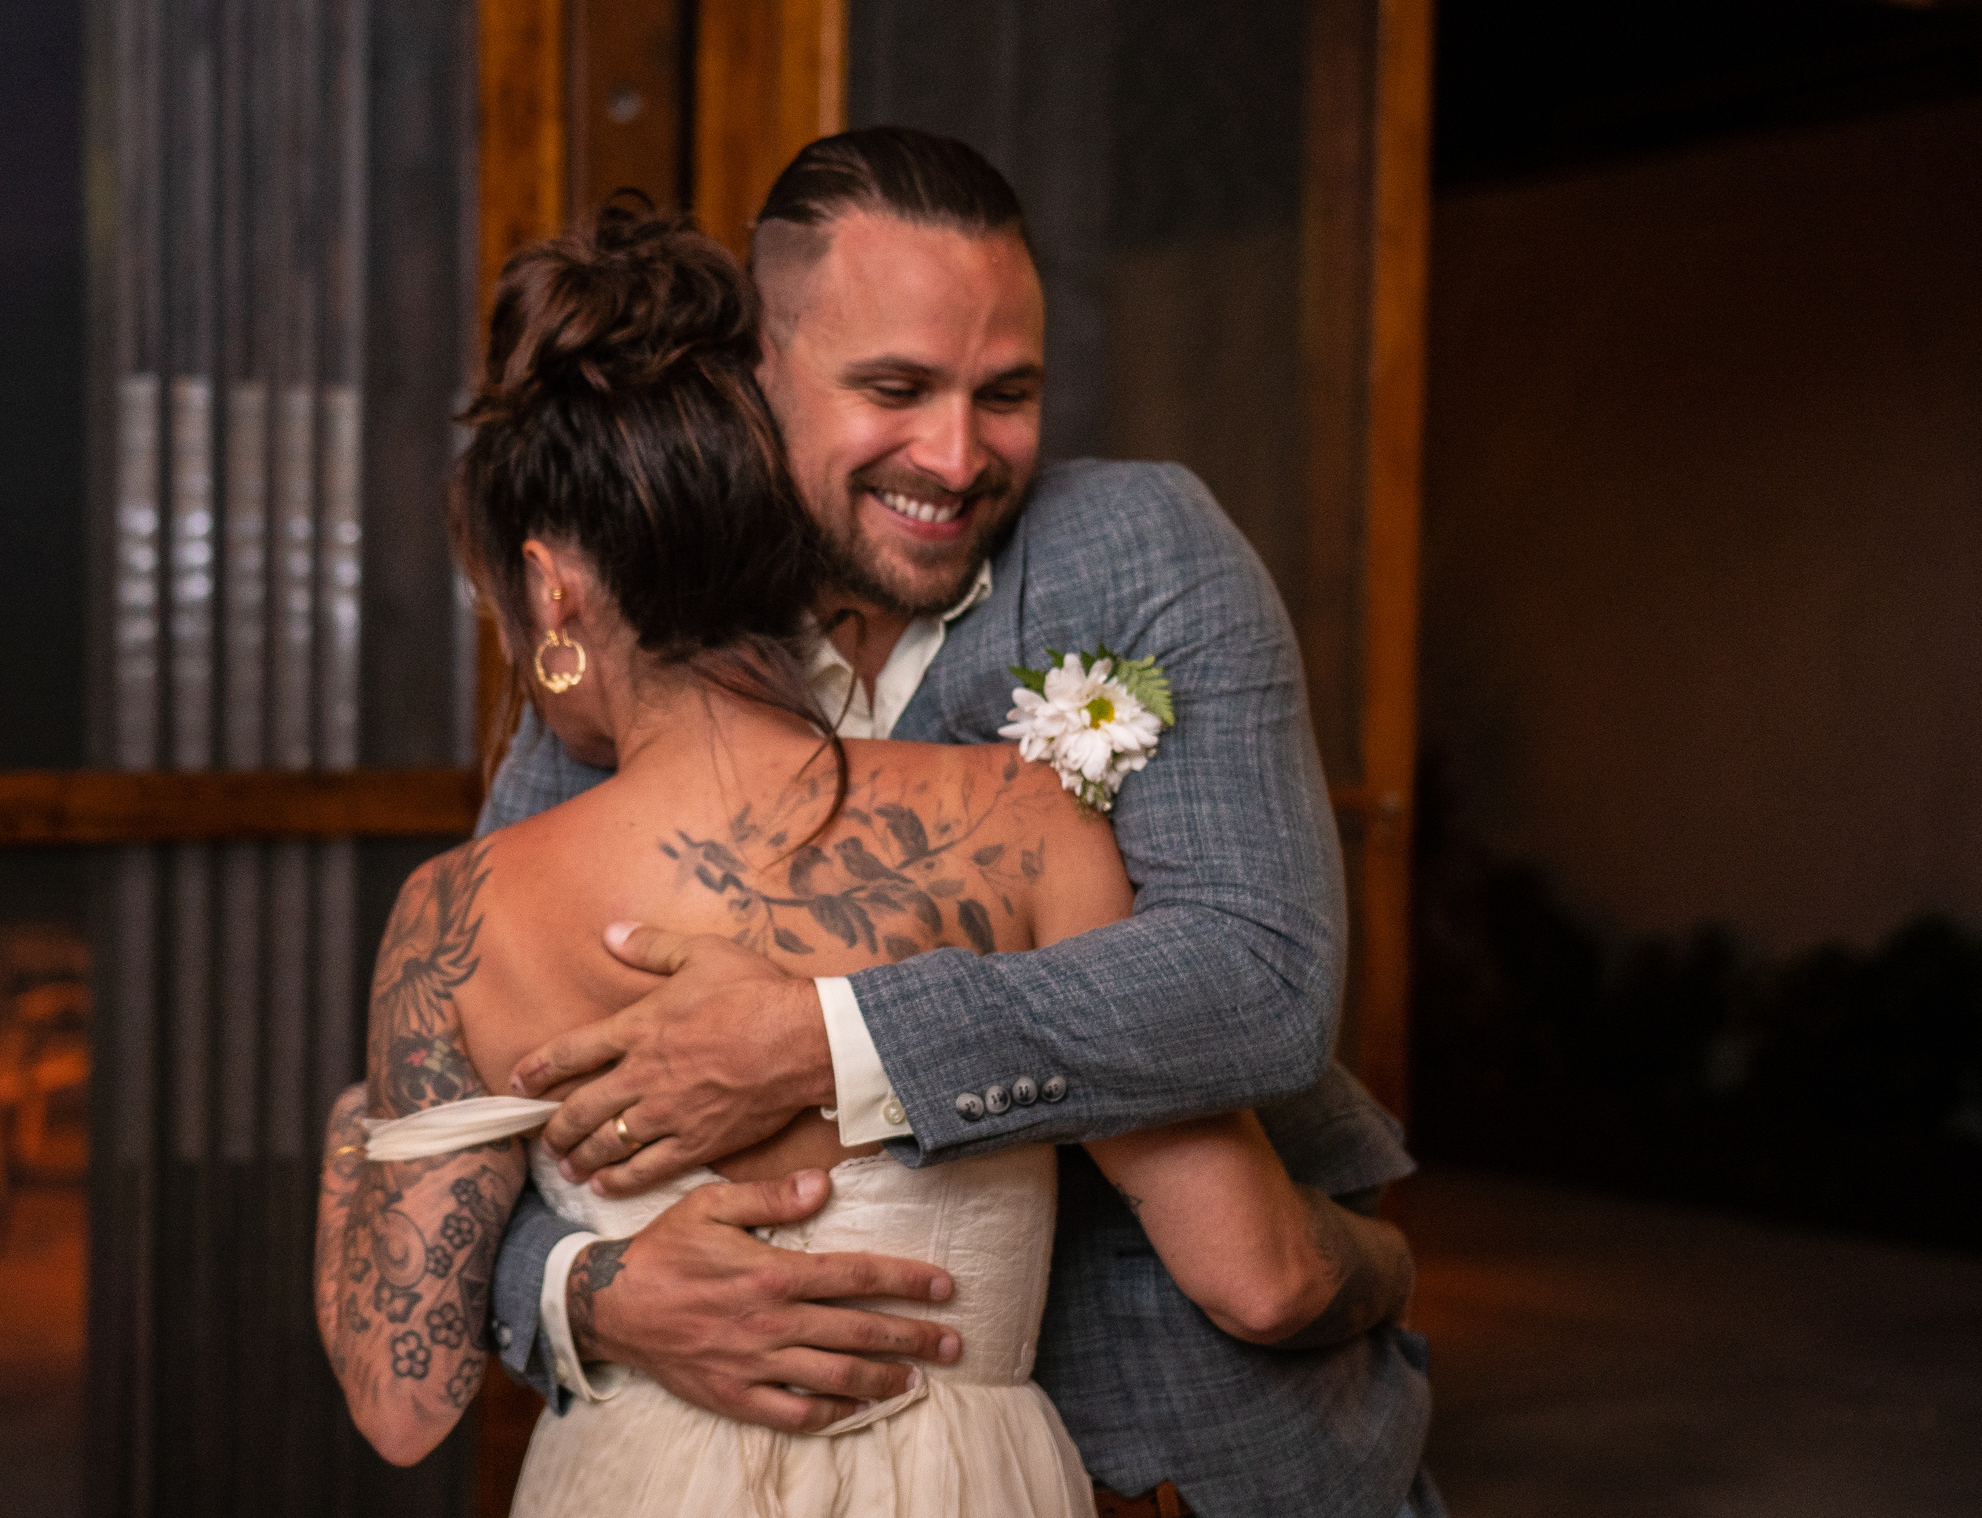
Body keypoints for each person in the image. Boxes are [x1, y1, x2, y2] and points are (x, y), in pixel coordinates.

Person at [315, 202, 1417, 1516]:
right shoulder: (1024, 818)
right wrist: (1391, 1262)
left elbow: (399, 1401)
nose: (949, 448)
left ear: (552, 593)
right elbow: (1262, 1273)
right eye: (897, 387)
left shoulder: (463, 913)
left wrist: (356, 1132)